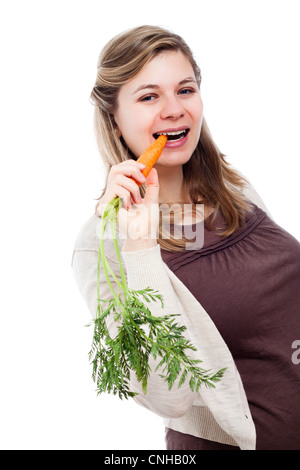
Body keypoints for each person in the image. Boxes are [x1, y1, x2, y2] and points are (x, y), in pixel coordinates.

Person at [72, 25, 300, 450]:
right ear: (115, 120)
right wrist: (140, 246)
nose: (174, 109)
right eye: (148, 96)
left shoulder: (236, 191)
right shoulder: (102, 244)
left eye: (185, 90)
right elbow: (166, 393)